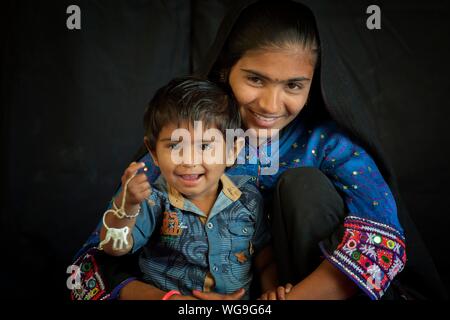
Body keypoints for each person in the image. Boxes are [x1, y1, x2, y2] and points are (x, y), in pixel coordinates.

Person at [70, 0, 446, 300]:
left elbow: (381, 244)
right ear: (224, 71)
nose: (270, 103)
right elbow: (90, 267)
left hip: (300, 293)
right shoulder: (185, 145)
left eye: (293, 85)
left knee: (303, 186)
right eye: (255, 79)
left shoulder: (328, 145)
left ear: (314, 85)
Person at [94, 76, 278, 300]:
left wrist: (270, 292)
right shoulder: (153, 200)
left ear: (232, 150)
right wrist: (127, 204)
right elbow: (113, 247)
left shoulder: (248, 198)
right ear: (153, 153)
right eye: (174, 146)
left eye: (204, 146)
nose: (189, 159)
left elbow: (265, 260)